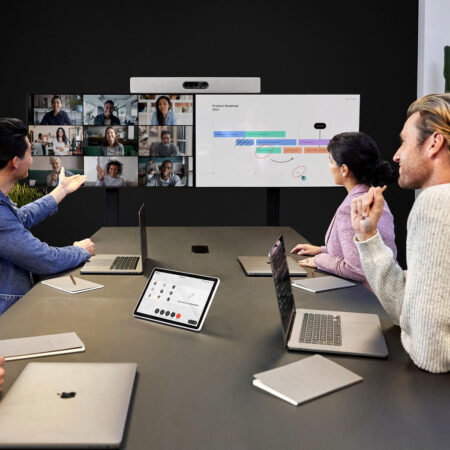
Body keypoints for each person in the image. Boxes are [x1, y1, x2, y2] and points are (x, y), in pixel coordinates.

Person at [351, 93, 450, 373]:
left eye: (404, 141)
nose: (396, 155)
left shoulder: (438, 201)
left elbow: (432, 354)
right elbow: (403, 309)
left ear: (434, 143)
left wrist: (414, 328)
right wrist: (368, 236)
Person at [0, 118, 95, 314]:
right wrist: (80, 250)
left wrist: (61, 190)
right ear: (15, 162)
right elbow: (44, 259)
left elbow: (21, 217)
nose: (32, 159)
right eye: (29, 153)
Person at [291, 132, 397, 289]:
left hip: (366, 298)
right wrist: (323, 249)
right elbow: (360, 250)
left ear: (344, 170)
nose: (329, 166)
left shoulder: (352, 207)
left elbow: (356, 269)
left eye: (331, 161)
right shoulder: (372, 196)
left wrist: (320, 259)